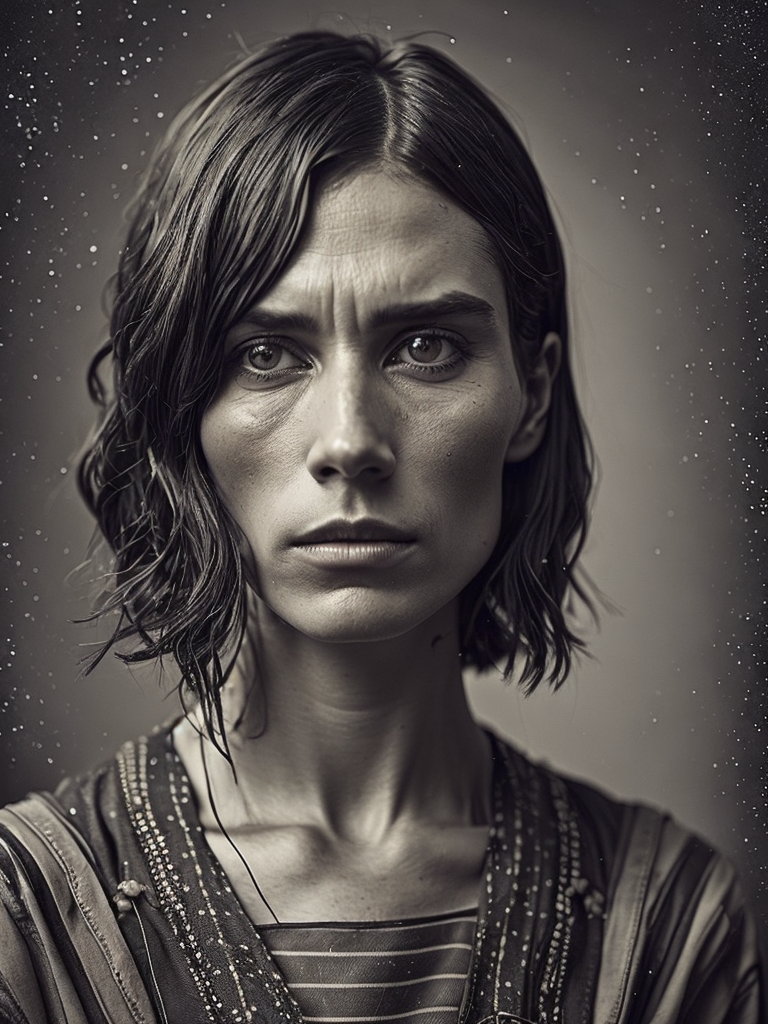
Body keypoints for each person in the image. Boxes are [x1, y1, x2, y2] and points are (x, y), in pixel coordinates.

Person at [0, 30, 762, 1024]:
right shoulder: (29, 917)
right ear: (179, 403)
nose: (351, 439)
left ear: (530, 395)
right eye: (268, 352)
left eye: (427, 346)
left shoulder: (666, 924)